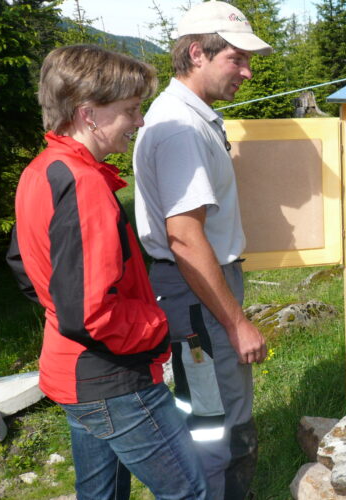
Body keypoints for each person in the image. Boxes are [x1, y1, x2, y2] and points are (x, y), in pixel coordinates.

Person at [6, 45, 207, 499]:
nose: (139, 122)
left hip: (72, 371)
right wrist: (158, 328)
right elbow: (90, 314)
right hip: (113, 380)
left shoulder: (42, 170)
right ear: (88, 113)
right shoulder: (82, 184)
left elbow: (22, 266)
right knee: (191, 492)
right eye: (131, 110)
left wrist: (62, 314)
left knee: (100, 494)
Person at [133, 2, 271, 498]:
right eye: (237, 59)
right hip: (196, 289)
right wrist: (237, 322)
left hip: (199, 286)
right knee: (217, 422)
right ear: (197, 53)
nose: (247, 72)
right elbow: (185, 238)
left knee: (215, 409)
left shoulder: (192, 117)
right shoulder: (181, 128)